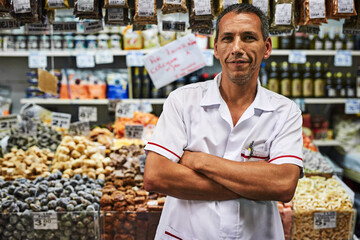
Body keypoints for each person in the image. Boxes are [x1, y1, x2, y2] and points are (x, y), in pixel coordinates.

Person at [144, 3, 303, 240]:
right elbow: (156, 175)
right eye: (227, 38)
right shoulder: (182, 100)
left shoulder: (285, 111)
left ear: (266, 47)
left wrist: (198, 160)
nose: (237, 48)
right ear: (216, 48)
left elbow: (283, 185)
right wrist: (251, 186)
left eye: (248, 37)